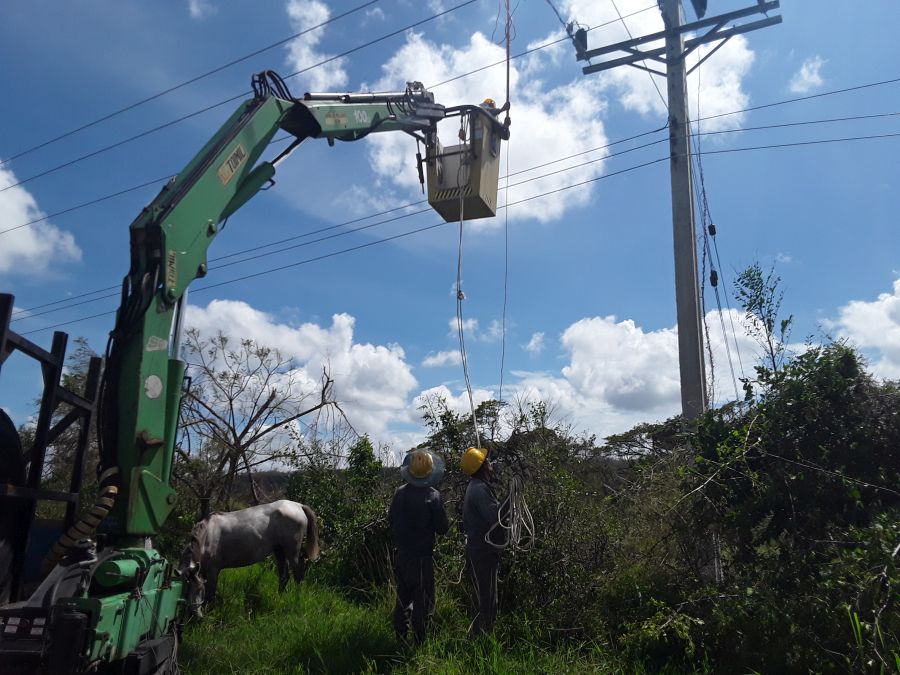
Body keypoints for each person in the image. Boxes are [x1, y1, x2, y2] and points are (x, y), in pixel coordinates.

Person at [388, 448, 449, 644]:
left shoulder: (399, 493)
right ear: (430, 472)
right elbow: (442, 528)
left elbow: (391, 520)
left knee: (403, 598)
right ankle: (419, 643)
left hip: (402, 555)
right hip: (422, 559)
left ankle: (400, 639)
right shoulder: (433, 496)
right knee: (423, 602)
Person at [461, 447, 506, 635]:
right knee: (486, 600)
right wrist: (510, 502)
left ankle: (480, 636)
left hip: (481, 550)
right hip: (483, 552)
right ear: (482, 467)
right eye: (487, 461)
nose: (491, 463)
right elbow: (494, 517)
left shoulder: (477, 486)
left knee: (484, 597)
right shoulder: (479, 489)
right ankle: (481, 640)